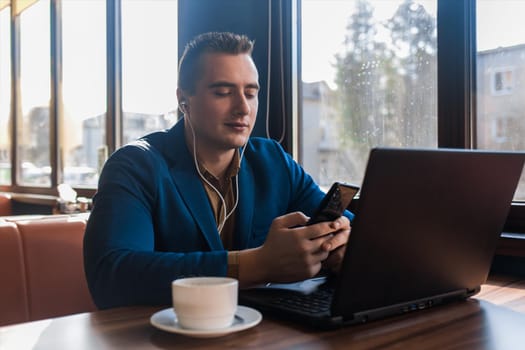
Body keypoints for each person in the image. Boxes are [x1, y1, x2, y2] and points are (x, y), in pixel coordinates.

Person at [83, 31, 353, 309]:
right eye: (223, 92)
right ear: (183, 100)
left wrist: (340, 246)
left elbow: (354, 230)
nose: (243, 108)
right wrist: (258, 264)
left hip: (261, 332)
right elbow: (112, 276)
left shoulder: (273, 160)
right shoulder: (135, 165)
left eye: (251, 93)